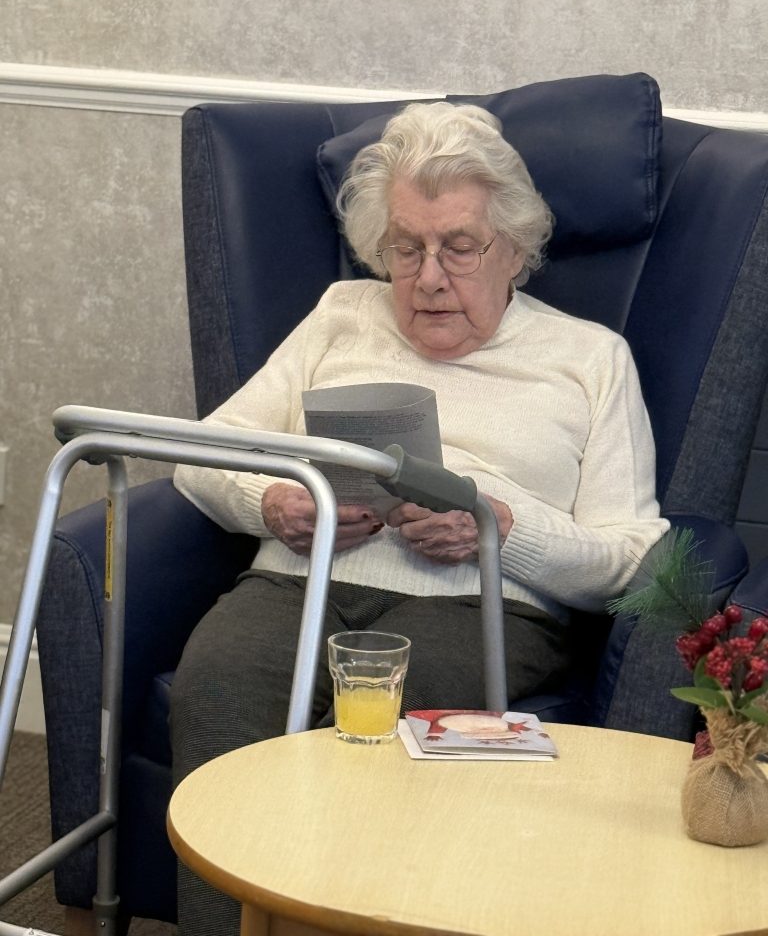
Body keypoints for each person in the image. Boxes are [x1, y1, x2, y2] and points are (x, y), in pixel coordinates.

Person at [170, 101, 669, 934]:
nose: (429, 276)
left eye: (459, 247)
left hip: (477, 603)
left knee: (385, 747)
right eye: (406, 247)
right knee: (216, 688)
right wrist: (277, 501)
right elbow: (202, 453)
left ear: (513, 250)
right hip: (302, 578)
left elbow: (631, 556)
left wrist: (501, 533)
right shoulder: (342, 314)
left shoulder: (589, 359)